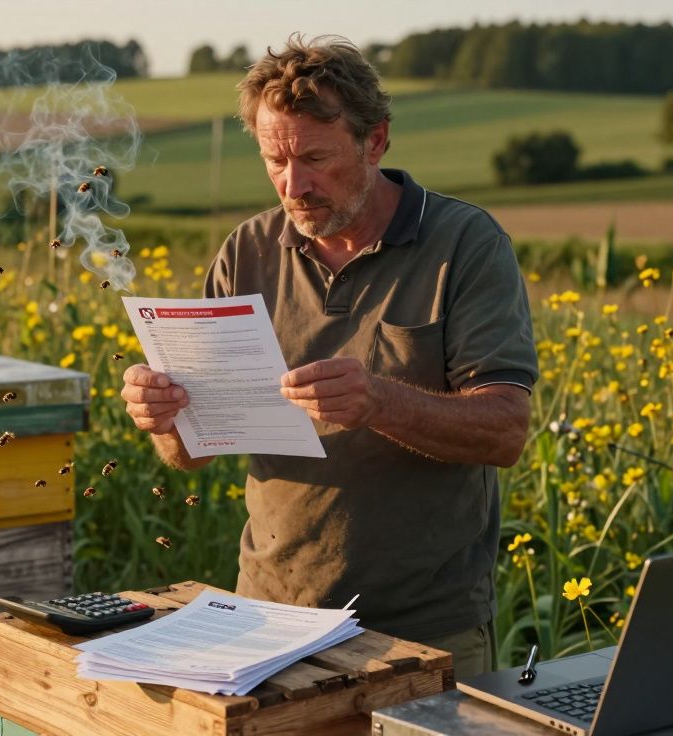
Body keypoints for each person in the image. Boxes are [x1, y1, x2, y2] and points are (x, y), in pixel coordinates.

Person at [119, 34, 538, 680]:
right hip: (268, 619)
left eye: (314, 157)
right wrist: (165, 419)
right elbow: (192, 452)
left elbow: (507, 429)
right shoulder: (246, 252)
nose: (294, 184)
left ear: (376, 142)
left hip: (424, 628)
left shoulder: (465, 245)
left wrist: (378, 400)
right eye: (274, 160)